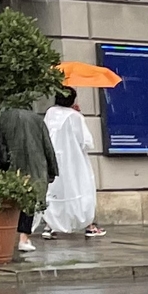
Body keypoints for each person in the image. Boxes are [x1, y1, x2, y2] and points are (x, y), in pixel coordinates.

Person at [0, 98, 57, 254]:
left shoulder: (2, 119)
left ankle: (4, 237)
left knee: (8, 200)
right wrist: (53, 169)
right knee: (29, 202)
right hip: (35, 165)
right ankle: (23, 238)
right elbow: (47, 146)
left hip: (11, 165)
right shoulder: (37, 120)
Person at [39, 88, 102, 238]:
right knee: (80, 189)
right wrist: (78, 115)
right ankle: (88, 225)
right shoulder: (75, 116)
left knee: (55, 191)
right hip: (74, 161)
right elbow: (86, 142)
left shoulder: (50, 113)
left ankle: (50, 226)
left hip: (54, 159)